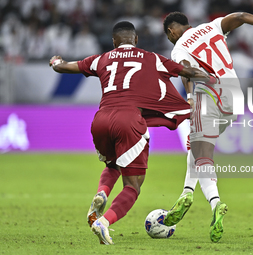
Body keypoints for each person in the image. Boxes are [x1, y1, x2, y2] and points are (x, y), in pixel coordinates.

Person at [49, 21, 217, 245]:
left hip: (100, 119)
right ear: (136, 40)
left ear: (114, 42)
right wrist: (213, 78)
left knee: (112, 165)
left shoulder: (101, 59)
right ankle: (104, 222)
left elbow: (63, 67)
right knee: (132, 186)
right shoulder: (152, 58)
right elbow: (188, 72)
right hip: (129, 120)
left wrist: (56, 62)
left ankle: (102, 193)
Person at [162, 12, 253, 242]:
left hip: (210, 93)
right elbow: (241, 16)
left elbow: (186, 70)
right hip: (235, 97)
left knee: (203, 154)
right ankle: (186, 192)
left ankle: (215, 202)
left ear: (171, 31)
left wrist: (190, 94)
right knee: (197, 145)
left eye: (170, 37)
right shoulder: (213, 27)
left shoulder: (178, 47)